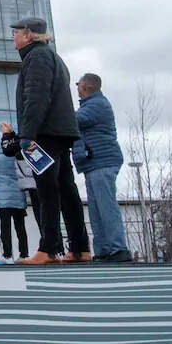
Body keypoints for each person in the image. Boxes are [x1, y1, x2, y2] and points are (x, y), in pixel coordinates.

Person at [9, 17, 90, 265]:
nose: (13, 36)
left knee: (47, 191)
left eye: (16, 32)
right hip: (58, 133)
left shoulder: (37, 58)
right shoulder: (52, 57)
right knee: (66, 189)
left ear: (29, 35)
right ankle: (79, 248)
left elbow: (36, 98)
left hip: (45, 134)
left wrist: (27, 134)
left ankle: (48, 249)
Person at [73, 73, 131, 263]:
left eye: (78, 84)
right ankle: (104, 251)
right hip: (93, 163)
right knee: (97, 210)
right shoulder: (92, 105)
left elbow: (73, 121)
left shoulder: (96, 105)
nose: (77, 87)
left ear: (86, 87)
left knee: (106, 207)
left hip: (102, 162)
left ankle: (118, 249)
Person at [0, 130, 29, 262]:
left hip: (4, 201)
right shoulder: (19, 157)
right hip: (19, 198)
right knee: (20, 227)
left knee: (5, 228)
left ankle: (7, 254)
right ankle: (24, 254)